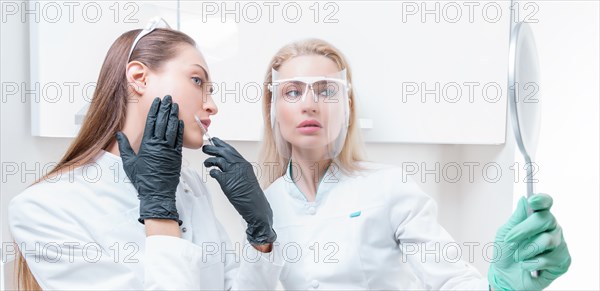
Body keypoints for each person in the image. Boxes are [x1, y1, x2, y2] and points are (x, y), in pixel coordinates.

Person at [202, 38, 572, 290]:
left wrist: (500, 285)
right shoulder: (266, 205)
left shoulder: (390, 188)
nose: (309, 103)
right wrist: (258, 231)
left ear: (347, 106)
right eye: (293, 91)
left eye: (326, 89)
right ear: (273, 110)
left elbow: (449, 279)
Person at [8, 18, 277, 290]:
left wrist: (261, 234)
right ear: (139, 77)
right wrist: (160, 212)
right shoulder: (43, 207)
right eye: (197, 80)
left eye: (211, 91)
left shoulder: (191, 186)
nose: (212, 106)